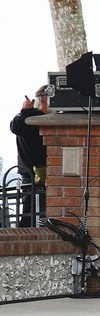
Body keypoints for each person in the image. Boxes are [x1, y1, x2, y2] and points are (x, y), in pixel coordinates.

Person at [9, 85, 48, 228]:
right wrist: (25, 111)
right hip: (33, 177)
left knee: (36, 219)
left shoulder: (33, 117)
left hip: (38, 178)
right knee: (32, 219)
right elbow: (16, 126)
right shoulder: (30, 118)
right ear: (45, 100)